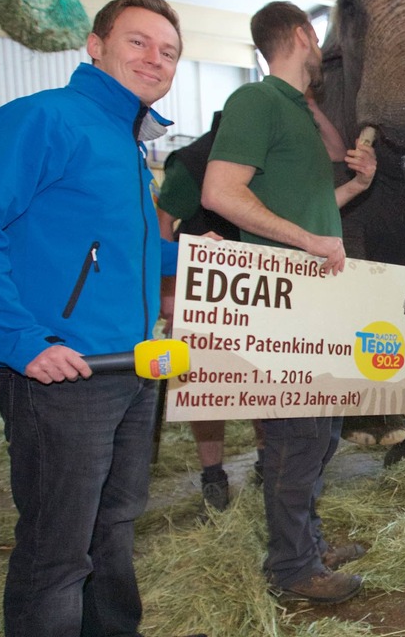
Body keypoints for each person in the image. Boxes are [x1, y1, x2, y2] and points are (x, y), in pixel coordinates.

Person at [0, 0, 190, 637]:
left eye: (168, 51)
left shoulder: (126, 144)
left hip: (131, 366)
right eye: (138, 41)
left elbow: (110, 247)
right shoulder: (45, 119)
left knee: (115, 526)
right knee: (58, 548)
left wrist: (185, 256)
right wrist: (22, 341)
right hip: (63, 371)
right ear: (96, 46)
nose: (154, 59)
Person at [201, 1, 376, 605]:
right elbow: (220, 192)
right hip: (280, 301)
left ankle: (308, 540)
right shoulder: (256, 101)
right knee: (295, 438)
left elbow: (314, 207)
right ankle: (292, 569)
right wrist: (306, 241)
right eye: (318, 41)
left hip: (315, 299)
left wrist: (357, 183)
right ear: (304, 35)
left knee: (323, 434)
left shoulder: (295, 112)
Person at [157, 111, 265, 514]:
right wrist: (170, 292)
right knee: (204, 385)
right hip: (203, 285)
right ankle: (213, 477)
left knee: (261, 377)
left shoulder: (273, 160)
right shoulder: (193, 160)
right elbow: (162, 223)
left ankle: (266, 463)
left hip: (257, 280)